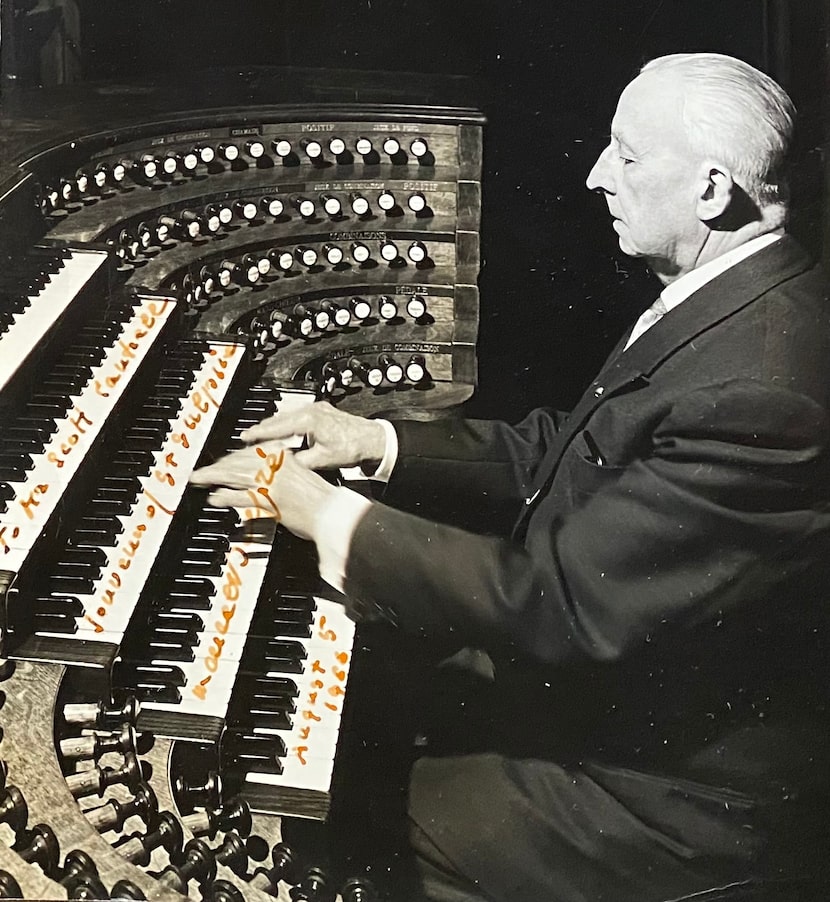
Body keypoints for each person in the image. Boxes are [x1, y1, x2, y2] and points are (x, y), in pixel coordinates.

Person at [191, 53, 830, 902]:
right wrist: (373, 438)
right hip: (617, 706)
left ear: (713, 190)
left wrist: (326, 513)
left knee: (347, 800)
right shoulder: (738, 296)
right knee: (361, 698)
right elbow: (566, 450)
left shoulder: (761, 389)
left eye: (629, 155)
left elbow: (559, 601)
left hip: (667, 801)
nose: (599, 176)